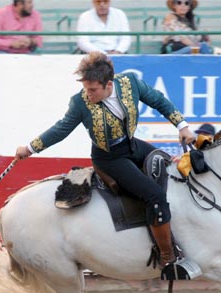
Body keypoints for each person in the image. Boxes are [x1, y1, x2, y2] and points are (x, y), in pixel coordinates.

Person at [14, 52, 196, 273]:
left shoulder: (129, 84)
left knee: (169, 168)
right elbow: (61, 129)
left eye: (93, 90)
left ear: (108, 84)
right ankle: (168, 258)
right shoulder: (80, 102)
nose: (88, 94)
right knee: (154, 195)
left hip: (132, 145)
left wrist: (182, 126)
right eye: (86, 89)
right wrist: (30, 148)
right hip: (110, 158)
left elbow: (158, 101)